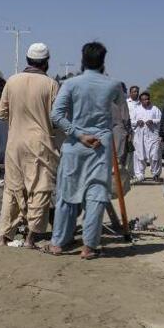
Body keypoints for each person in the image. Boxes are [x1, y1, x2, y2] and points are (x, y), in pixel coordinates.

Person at [48, 42, 125, 259]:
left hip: (75, 146)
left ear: (82, 59)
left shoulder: (70, 84)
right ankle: (89, 246)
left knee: (66, 194)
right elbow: (121, 113)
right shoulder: (114, 85)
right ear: (103, 61)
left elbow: (56, 116)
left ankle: (58, 243)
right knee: (97, 195)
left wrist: (79, 134)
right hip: (100, 147)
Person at [0, 43, 60, 249]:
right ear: (46, 62)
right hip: (40, 143)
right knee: (40, 189)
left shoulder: (12, 81)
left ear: (27, 59)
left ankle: (4, 236)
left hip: (14, 142)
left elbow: (2, 113)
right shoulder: (50, 84)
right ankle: (31, 238)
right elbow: (57, 117)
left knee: (13, 188)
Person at [131, 92, 162, 180]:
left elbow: (161, 119)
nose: (146, 101)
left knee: (154, 155)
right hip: (140, 137)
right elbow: (131, 121)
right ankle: (140, 174)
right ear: (140, 101)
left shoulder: (155, 109)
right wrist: (137, 122)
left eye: (148, 99)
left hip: (153, 136)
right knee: (140, 155)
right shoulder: (136, 110)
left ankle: (156, 174)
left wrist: (153, 121)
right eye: (144, 99)